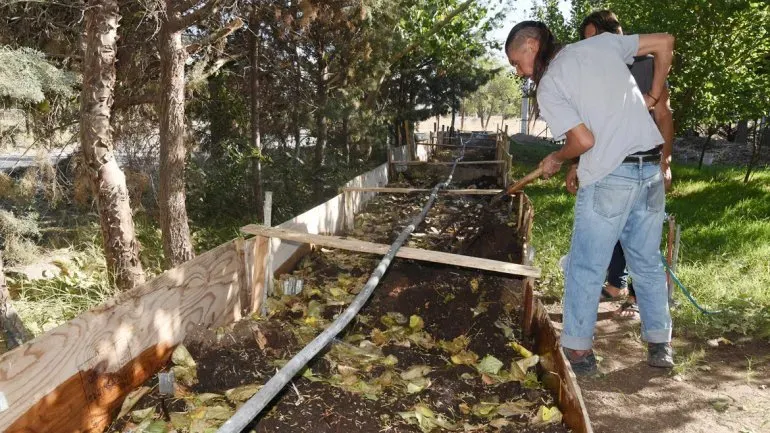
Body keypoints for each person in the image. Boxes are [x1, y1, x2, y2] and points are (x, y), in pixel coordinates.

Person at [505, 20, 675, 374]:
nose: (519, 71)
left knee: (586, 266)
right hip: (649, 170)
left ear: (532, 45)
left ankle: (579, 355)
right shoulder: (601, 46)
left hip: (611, 175)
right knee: (646, 260)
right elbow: (664, 41)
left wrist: (557, 157)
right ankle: (660, 345)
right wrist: (655, 94)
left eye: (516, 62)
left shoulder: (550, 84)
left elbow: (584, 142)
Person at [567, 10, 675, 320]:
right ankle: (616, 284)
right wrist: (576, 163)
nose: (591, 49)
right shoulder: (590, 73)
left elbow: (664, 115)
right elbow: (587, 126)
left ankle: (644, 300)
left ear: (616, 37)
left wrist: (665, 161)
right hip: (604, 165)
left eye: (595, 40)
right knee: (609, 228)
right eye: (586, 42)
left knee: (641, 242)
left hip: (642, 165)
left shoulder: (643, 65)